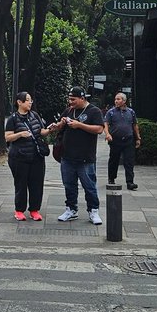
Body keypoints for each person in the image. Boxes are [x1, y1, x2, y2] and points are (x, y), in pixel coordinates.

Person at [47, 87, 104, 224]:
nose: (70, 102)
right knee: (69, 185)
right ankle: (71, 209)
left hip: (86, 157)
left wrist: (80, 125)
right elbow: (61, 124)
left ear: (82, 98)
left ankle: (93, 210)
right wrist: (56, 126)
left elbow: (99, 129)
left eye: (73, 99)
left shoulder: (94, 111)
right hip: (67, 156)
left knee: (89, 186)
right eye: (69, 98)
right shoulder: (69, 110)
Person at [5, 91, 49, 221]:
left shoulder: (35, 115)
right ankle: (19, 210)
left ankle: (34, 210)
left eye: (31, 100)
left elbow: (42, 132)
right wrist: (19, 135)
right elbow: (7, 137)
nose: (30, 102)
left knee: (37, 184)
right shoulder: (13, 118)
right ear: (19, 102)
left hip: (36, 156)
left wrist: (52, 129)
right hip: (19, 157)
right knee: (21, 184)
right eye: (28, 100)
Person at [104, 92, 141, 189]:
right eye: (115, 99)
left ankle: (130, 182)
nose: (116, 101)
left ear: (124, 101)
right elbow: (106, 124)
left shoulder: (131, 112)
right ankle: (111, 178)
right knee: (113, 160)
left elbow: (135, 125)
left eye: (118, 99)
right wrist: (107, 134)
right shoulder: (111, 112)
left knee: (129, 161)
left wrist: (138, 138)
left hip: (128, 140)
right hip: (115, 140)